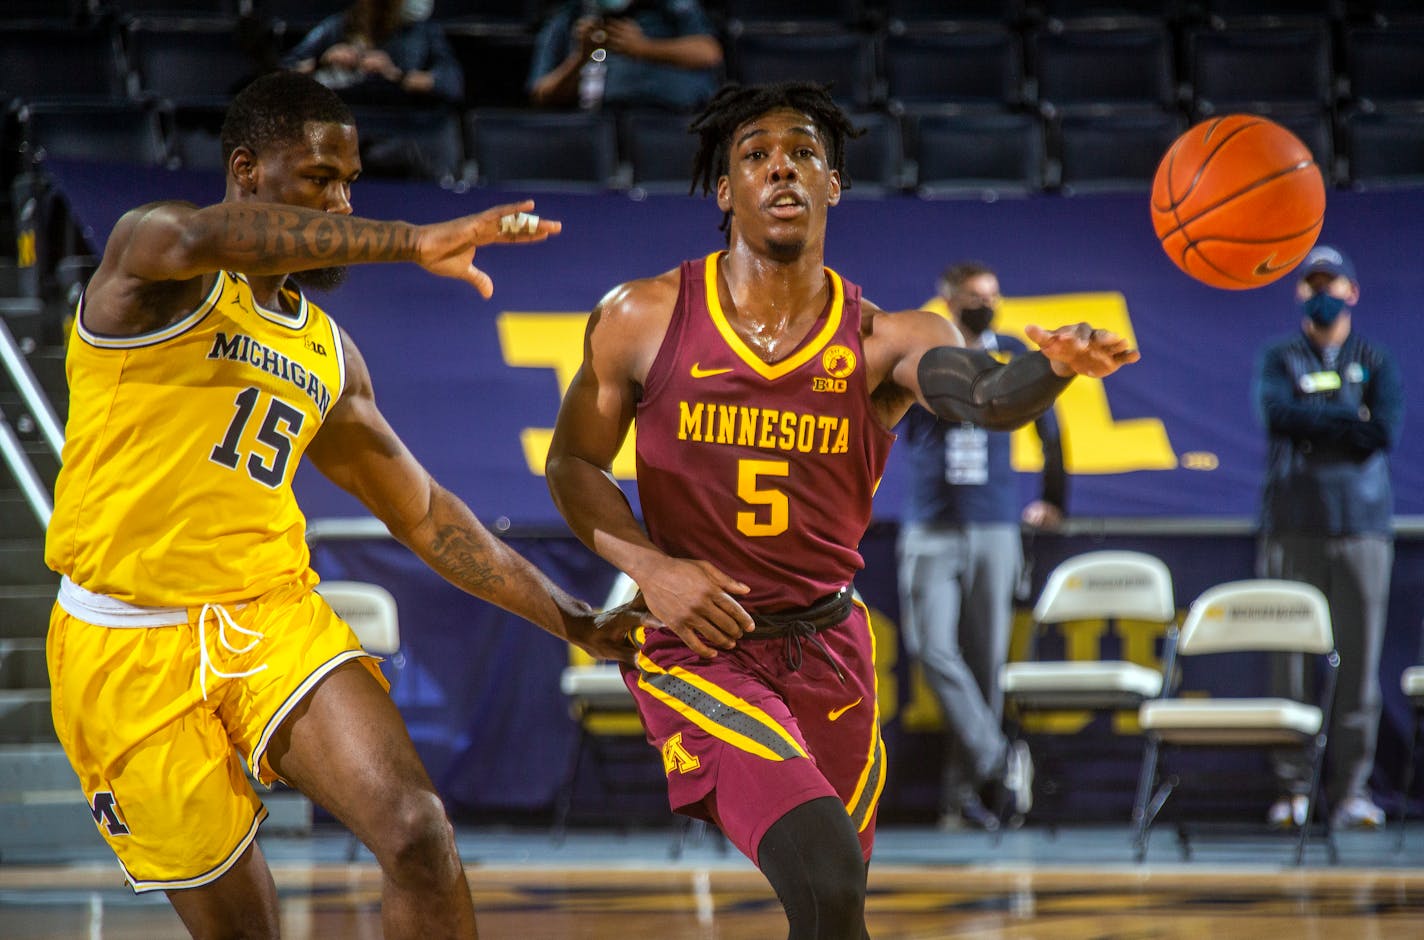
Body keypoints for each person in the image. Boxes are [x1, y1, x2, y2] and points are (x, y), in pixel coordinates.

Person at [44, 71, 637, 939]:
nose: (342, 203)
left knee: (417, 835)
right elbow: (216, 235)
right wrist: (412, 240)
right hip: (121, 640)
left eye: (350, 182)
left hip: (267, 614)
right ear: (247, 170)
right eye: (319, 180)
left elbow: (428, 516)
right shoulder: (154, 258)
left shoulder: (329, 354)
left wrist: (574, 619)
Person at [544, 81, 1138, 937]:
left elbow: (988, 398)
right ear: (725, 189)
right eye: (755, 154)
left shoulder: (889, 338)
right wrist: (652, 567)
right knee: (824, 880)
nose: (781, 165)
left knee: (834, 912)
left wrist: (1054, 368)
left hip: (827, 645)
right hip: (700, 643)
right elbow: (573, 462)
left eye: (805, 153)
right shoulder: (643, 315)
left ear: (834, 185)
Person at [896, 260, 1066, 831]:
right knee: (932, 648)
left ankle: (968, 799)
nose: (984, 304)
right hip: (931, 521)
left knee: (986, 663)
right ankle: (998, 761)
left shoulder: (1013, 352)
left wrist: (1054, 497)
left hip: (994, 523)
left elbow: (1050, 424)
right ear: (947, 299)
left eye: (991, 295)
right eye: (972, 296)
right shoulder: (924, 352)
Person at [1253, 244, 1402, 833]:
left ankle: (1352, 792)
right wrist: (1350, 419)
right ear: (1299, 292)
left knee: (1358, 665)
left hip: (1363, 525)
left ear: (1352, 292)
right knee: (1287, 663)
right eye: (1312, 283)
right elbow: (1277, 417)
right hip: (1291, 521)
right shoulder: (1278, 356)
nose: (1322, 293)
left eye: (1332, 283)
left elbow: (1384, 430)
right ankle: (1293, 788)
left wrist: (1319, 421)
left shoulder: (1377, 359)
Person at [283, 0, 464, 179]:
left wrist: (397, 75)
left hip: (407, 129)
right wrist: (321, 62)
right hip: (347, 127)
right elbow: (282, 74)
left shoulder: (423, 32)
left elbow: (451, 84)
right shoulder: (338, 26)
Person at [527, 0, 722, 112]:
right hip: (596, 127)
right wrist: (581, 57)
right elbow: (542, 94)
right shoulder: (570, 17)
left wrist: (643, 48)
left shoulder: (673, 8)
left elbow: (708, 52)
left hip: (670, 121)